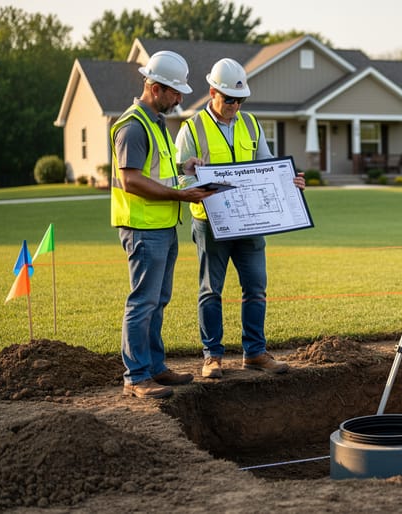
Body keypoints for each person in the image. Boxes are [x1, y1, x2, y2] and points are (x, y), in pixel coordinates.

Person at [175, 58, 305, 379]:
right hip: (210, 222)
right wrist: (204, 190)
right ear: (212, 93)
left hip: (250, 223)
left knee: (256, 287)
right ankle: (212, 357)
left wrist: (288, 180)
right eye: (229, 98)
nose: (235, 105)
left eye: (240, 99)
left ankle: (255, 353)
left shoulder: (251, 124)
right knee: (210, 290)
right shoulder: (191, 129)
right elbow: (181, 177)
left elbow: (266, 166)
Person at [111, 50, 217, 399]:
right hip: (143, 229)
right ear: (155, 88)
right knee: (143, 302)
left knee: (158, 300)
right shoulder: (133, 126)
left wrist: (184, 170)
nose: (180, 98)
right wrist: (181, 196)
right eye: (175, 92)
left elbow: (158, 172)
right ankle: (136, 376)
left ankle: (154, 367)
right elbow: (132, 181)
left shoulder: (154, 123)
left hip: (162, 227)